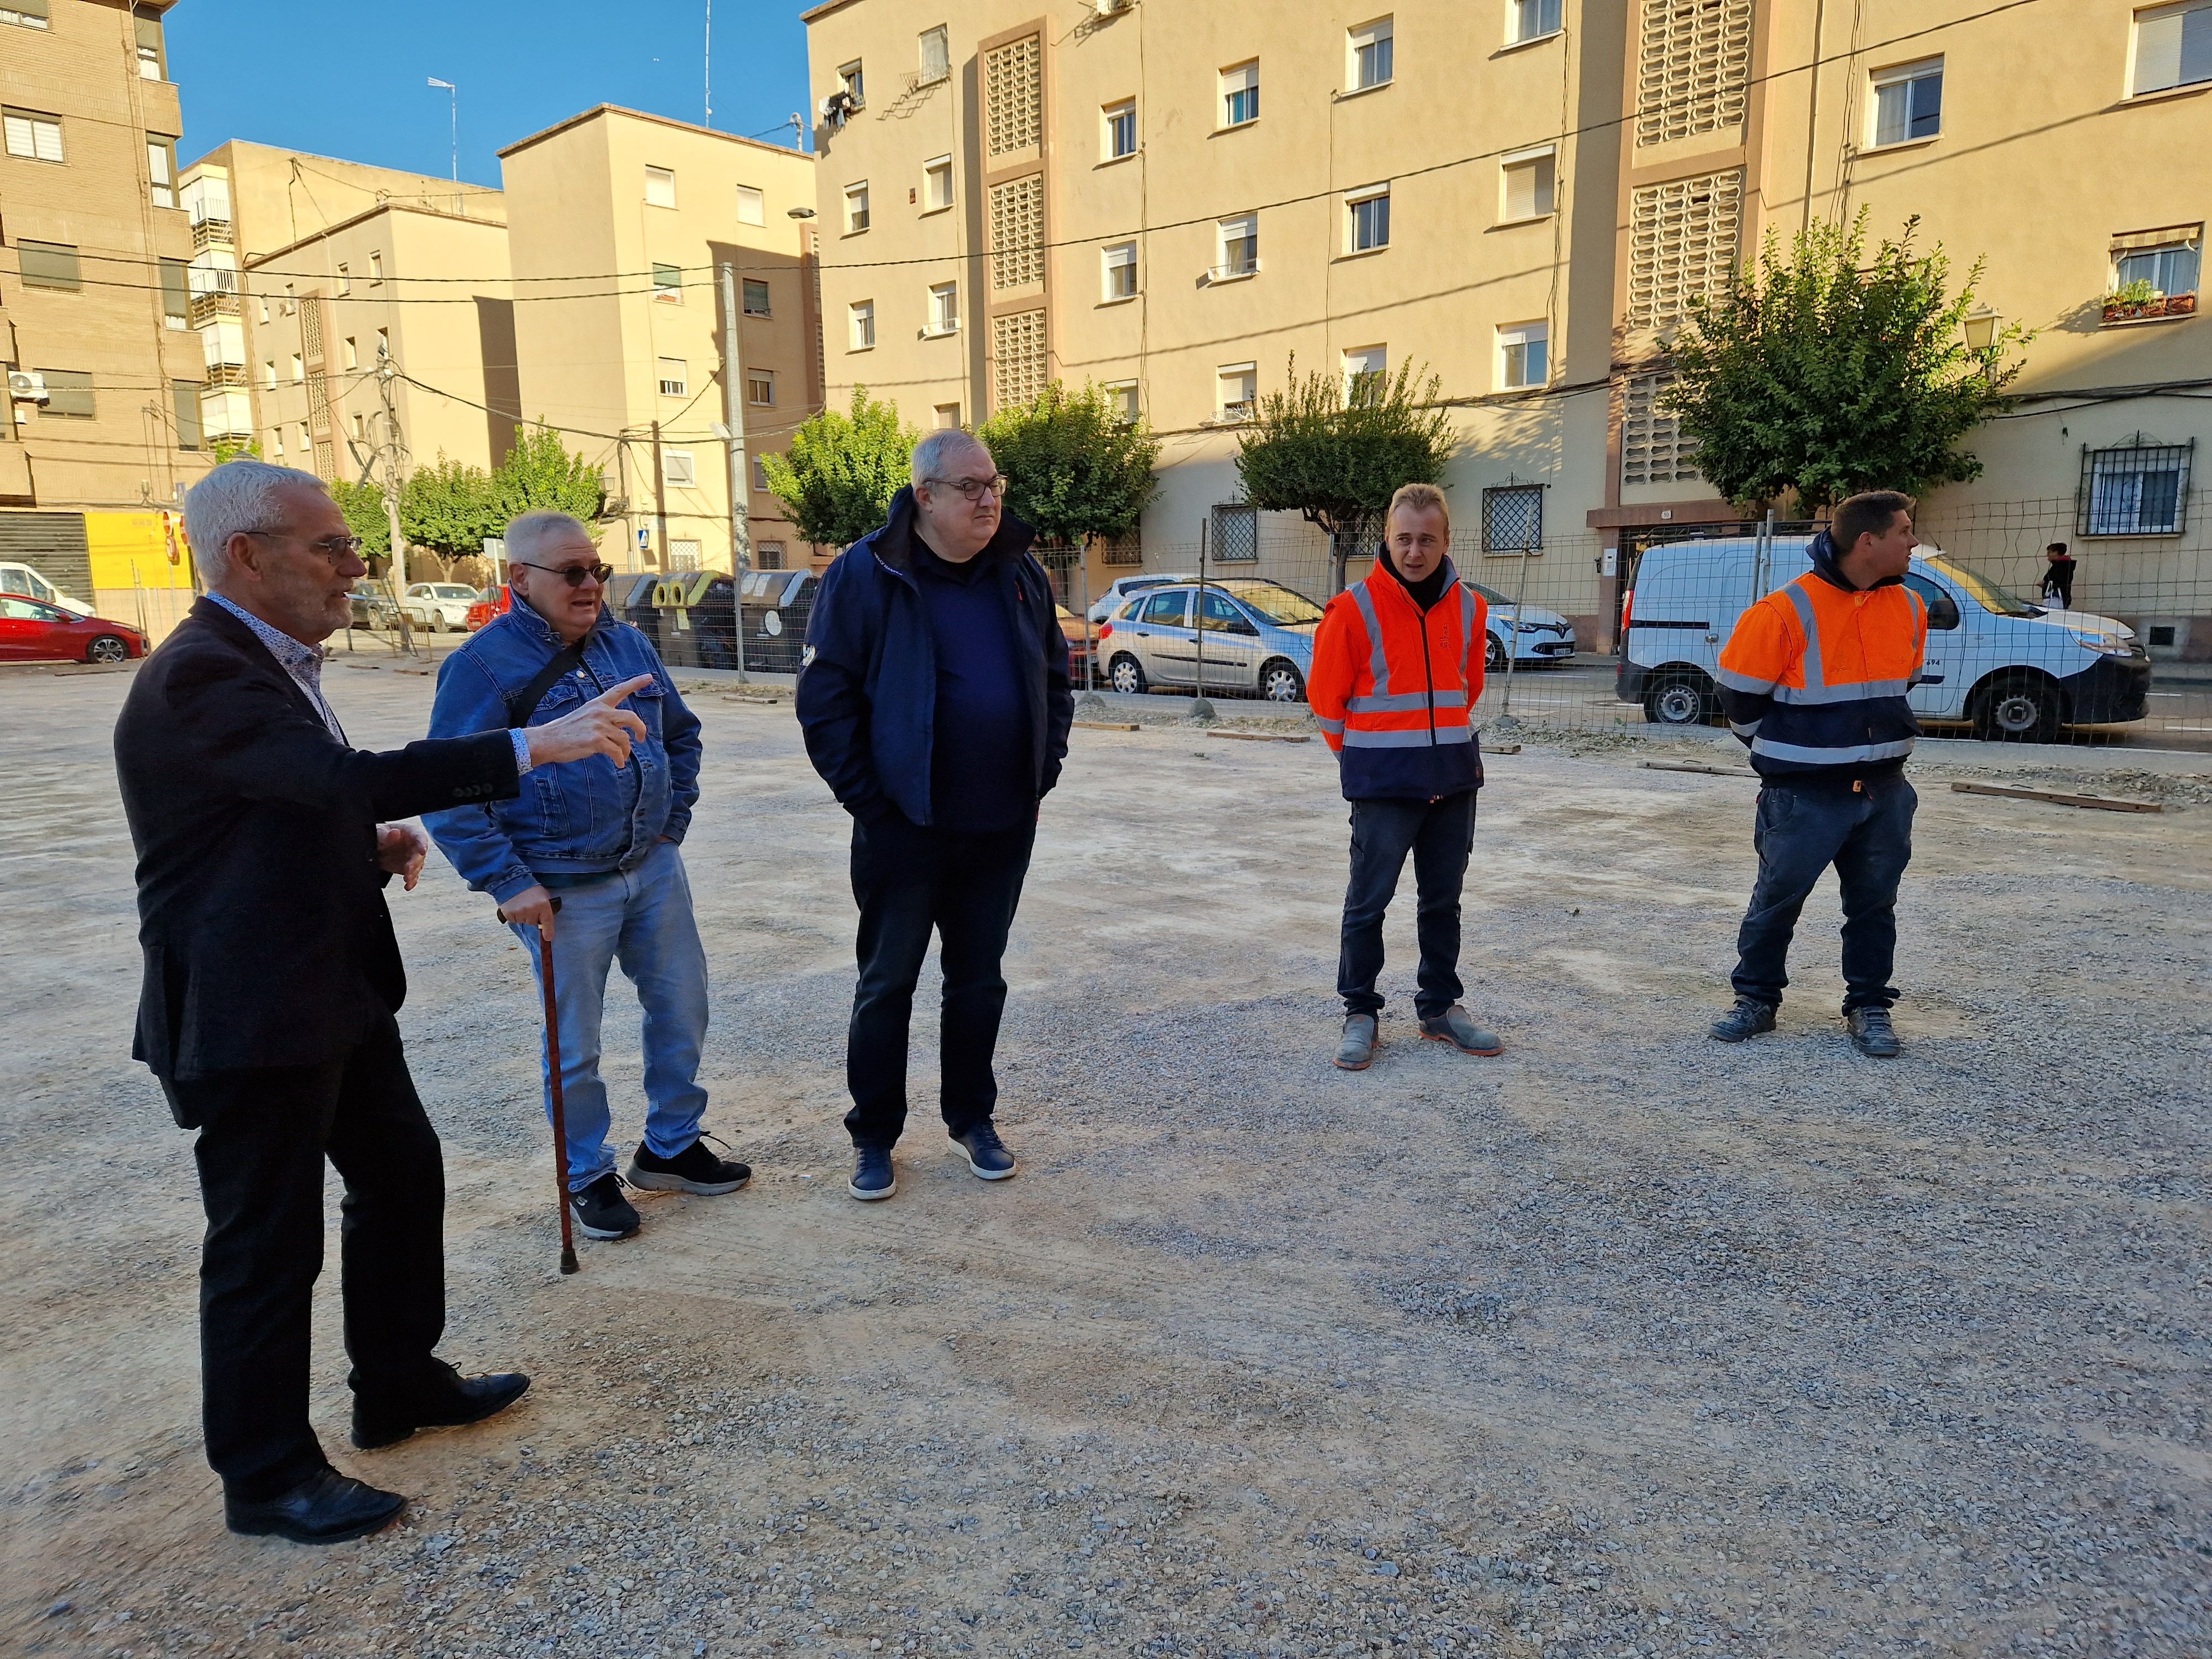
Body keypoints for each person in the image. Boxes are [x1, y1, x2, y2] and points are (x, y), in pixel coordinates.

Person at [114, 463, 653, 1545]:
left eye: (354, 547)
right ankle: (265, 1475)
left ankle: (396, 1383)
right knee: (266, 1243)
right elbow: (338, 776)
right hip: (249, 1009)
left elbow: (277, 804)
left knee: (402, 1175)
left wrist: (361, 847)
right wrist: (527, 745)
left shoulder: (262, 660)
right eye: (333, 549)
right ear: (248, 556)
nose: (355, 569)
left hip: (325, 987)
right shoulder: (201, 674)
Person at [423, 512, 744, 1245]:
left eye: (596, 569)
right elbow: (449, 788)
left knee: (682, 1011)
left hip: (651, 869)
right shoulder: (480, 669)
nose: (591, 584)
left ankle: (670, 1147)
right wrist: (507, 882)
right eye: (572, 573)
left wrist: (671, 825)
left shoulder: (627, 643)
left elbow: (681, 735)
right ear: (519, 581)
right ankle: (585, 1174)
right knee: (576, 1045)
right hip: (561, 886)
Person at [795, 429, 1073, 1202]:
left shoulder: (1019, 572)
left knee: (979, 982)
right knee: (887, 984)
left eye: (995, 485)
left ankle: (971, 1118)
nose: (990, 500)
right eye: (971, 487)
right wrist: (872, 806)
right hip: (901, 829)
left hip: (1001, 824)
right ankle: (875, 1134)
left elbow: (1055, 680)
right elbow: (825, 703)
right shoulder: (865, 572)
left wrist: (1038, 774)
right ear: (925, 496)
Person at [1709, 489, 1928, 1058]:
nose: (1912, 541)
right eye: (1904, 531)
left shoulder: (1909, 607)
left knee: (1874, 905)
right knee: (1776, 901)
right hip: (1803, 795)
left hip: (1884, 790)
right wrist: (1786, 754)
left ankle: (1869, 1006)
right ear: (1868, 541)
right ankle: (1755, 1001)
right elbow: (1737, 700)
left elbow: (1899, 682)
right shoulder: (1783, 611)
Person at [1308, 482, 1500, 1071]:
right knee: (1368, 904)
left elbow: (1468, 688)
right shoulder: (1352, 608)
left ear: (1445, 541)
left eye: (1426, 540)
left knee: (1442, 904)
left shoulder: (1470, 607)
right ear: (1385, 540)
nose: (1414, 552)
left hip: (1453, 780)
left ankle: (1439, 1008)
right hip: (1384, 786)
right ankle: (1360, 1011)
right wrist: (1365, 758)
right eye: (1403, 539)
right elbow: (1325, 701)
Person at [2041, 542, 2077, 611]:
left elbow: (2059, 582)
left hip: (2056, 600)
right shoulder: (2062, 565)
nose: (2048, 557)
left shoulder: (2062, 567)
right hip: (2057, 600)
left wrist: (2045, 584)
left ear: (2056, 553)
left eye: (2049, 553)